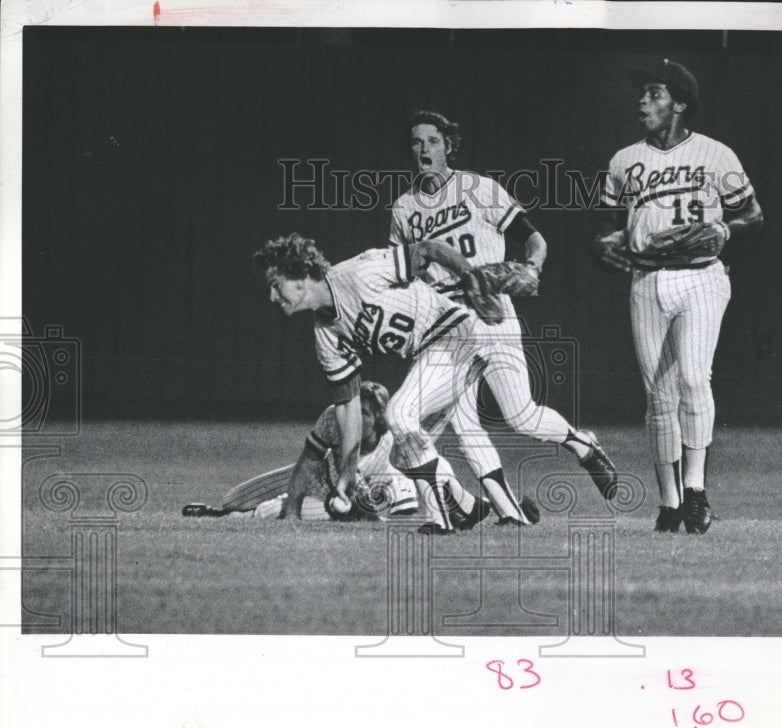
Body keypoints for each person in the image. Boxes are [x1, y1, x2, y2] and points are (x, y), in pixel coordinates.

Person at [252, 232, 618, 534]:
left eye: (275, 284)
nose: (271, 296)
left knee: (403, 413)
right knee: (403, 448)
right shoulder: (326, 335)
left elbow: (427, 249)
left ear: (299, 273)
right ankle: (467, 508)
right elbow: (348, 409)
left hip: (455, 334)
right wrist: (348, 473)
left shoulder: (357, 274)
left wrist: (473, 281)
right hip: (436, 353)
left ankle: (440, 519)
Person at [591, 58, 763, 534]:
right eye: (642, 94)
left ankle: (696, 490)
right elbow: (606, 231)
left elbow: (753, 214)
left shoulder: (715, 154)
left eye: (654, 93)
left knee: (692, 377)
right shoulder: (624, 161)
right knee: (658, 396)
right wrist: (603, 248)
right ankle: (669, 505)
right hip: (646, 280)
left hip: (702, 276)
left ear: (680, 104)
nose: (642, 101)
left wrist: (721, 230)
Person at [389, 109, 556, 527]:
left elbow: (533, 237)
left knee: (511, 415)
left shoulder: (479, 188)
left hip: (485, 309)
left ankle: (481, 509)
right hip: (441, 317)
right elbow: (404, 272)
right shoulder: (404, 207)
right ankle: (505, 510)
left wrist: (532, 268)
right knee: (462, 421)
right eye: (416, 141)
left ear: (449, 145)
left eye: (432, 140)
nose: (423, 149)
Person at [181, 380, 439, 522]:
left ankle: (224, 518)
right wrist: (292, 512)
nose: (358, 418)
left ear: (381, 417)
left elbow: (412, 475)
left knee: (272, 512)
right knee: (232, 499)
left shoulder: (392, 435)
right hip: (318, 475)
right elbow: (306, 463)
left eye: (366, 413)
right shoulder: (334, 418)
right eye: (356, 410)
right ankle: (224, 510)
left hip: (349, 495)